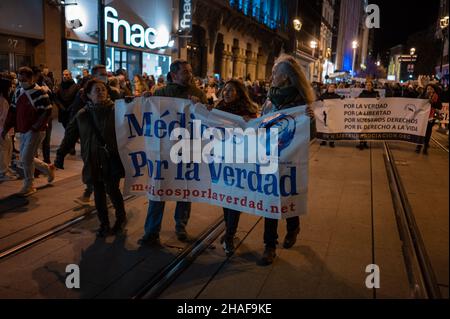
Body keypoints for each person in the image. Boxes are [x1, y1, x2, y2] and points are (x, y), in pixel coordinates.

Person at [139, 59, 207, 246]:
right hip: (165, 152)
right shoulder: (161, 93)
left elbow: (208, 118)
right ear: (174, 75)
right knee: (158, 191)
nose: (189, 75)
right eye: (185, 71)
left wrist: (200, 105)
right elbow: (147, 113)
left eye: (190, 71)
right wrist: (145, 99)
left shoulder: (198, 93)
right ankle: (151, 232)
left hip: (187, 150)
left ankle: (181, 226)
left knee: (184, 190)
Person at [258, 54, 315, 265]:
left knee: (288, 195)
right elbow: (260, 122)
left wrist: (310, 120)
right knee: (270, 201)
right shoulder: (270, 99)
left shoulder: (300, 102)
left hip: (290, 158)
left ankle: (293, 227)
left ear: (287, 77)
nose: (272, 75)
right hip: (268, 156)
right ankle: (269, 245)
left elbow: (311, 134)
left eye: (276, 72)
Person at [55, 80, 126, 237]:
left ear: (107, 92)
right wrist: (60, 154)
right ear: (88, 95)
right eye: (96, 90)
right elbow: (70, 136)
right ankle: (104, 224)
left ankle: (120, 219)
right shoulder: (83, 115)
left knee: (113, 190)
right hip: (92, 160)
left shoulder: (118, 110)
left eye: (103, 90)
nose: (100, 92)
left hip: (111, 159)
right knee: (98, 192)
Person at [213, 79, 259, 256]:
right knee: (225, 198)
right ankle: (229, 230)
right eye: (225, 90)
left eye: (231, 90)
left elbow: (258, 132)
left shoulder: (249, 111)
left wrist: (250, 122)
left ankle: (230, 235)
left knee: (235, 198)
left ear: (239, 93)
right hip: (222, 160)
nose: (226, 93)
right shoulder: (218, 109)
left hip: (240, 162)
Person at [2, 67, 56, 195]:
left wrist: (36, 127)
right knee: (26, 157)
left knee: (26, 157)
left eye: (24, 79)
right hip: (23, 129)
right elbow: (13, 111)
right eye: (19, 79)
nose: (21, 82)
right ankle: (48, 169)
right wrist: (6, 128)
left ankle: (29, 184)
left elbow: (47, 111)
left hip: (36, 130)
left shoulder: (40, 92)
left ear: (32, 78)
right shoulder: (18, 92)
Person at [416, 84, 442, 154]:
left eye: (431, 89)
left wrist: (433, 103)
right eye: (428, 89)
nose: (429, 90)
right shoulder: (423, 95)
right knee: (421, 132)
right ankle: (418, 146)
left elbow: (439, 106)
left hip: (430, 117)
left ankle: (425, 147)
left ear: (433, 90)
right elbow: (417, 102)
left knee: (428, 133)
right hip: (422, 117)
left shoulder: (436, 96)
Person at [0, 73, 17, 181]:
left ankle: (5, 169)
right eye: (10, 86)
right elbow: (3, 117)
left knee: (8, 148)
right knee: (4, 150)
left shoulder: (4, 99)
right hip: (2, 129)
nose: (12, 88)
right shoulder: (2, 100)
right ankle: (3, 172)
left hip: (4, 129)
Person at [356, 81, 380, 150]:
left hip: (371, 114)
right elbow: (358, 101)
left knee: (367, 129)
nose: (368, 86)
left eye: (369, 85)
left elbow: (379, 102)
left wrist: (378, 99)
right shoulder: (362, 94)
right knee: (362, 129)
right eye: (367, 85)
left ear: (372, 86)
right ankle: (361, 142)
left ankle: (365, 142)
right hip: (363, 114)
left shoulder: (376, 93)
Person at [318, 83, 343, 148]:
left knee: (332, 128)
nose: (332, 88)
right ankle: (324, 140)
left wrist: (343, 99)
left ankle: (331, 142)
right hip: (324, 115)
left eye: (333, 87)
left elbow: (341, 103)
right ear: (328, 88)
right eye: (330, 87)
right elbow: (318, 104)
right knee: (324, 128)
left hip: (333, 115)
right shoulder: (323, 96)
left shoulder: (337, 96)